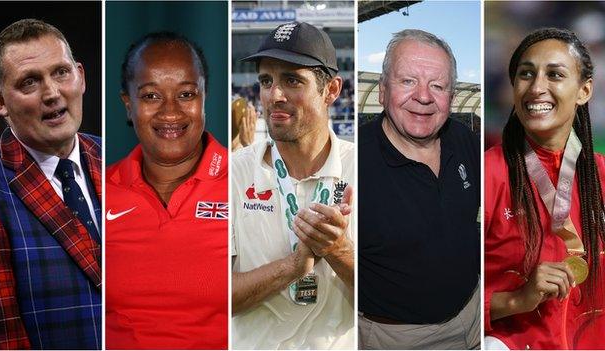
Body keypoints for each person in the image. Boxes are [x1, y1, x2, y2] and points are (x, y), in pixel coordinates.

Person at [231, 21, 355, 349]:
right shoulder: (232, 173)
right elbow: (217, 298)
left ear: (331, 91)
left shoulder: (364, 168)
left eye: (292, 80)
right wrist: (293, 266)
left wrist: (338, 249)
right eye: (266, 81)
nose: (275, 96)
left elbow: (392, 296)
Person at [0, 19, 101, 349]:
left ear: (81, 77)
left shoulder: (119, 159)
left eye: (61, 72)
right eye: (30, 82)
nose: (52, 93)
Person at [358, 29, 481, 349]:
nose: (424, 97)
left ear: (451, 99)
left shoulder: (466, 141)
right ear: (383, 91)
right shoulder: (354, 162)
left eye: (438, 86)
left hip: (476, 313)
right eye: (408, 81)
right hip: (401, 337)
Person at [105, 32, 227, 349]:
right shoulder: (94, 191)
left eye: (186, 95)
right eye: (151, 96)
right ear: (128, 104)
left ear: (205, 97)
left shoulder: (249, 183)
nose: (170, 112)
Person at [484, 28, 605, 350]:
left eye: (555, 74)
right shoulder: (487, 175)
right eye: (526, 74)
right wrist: (515, 300)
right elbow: (442, 293)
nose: (537, 88)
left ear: (584, 90)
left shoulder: (602, 176)